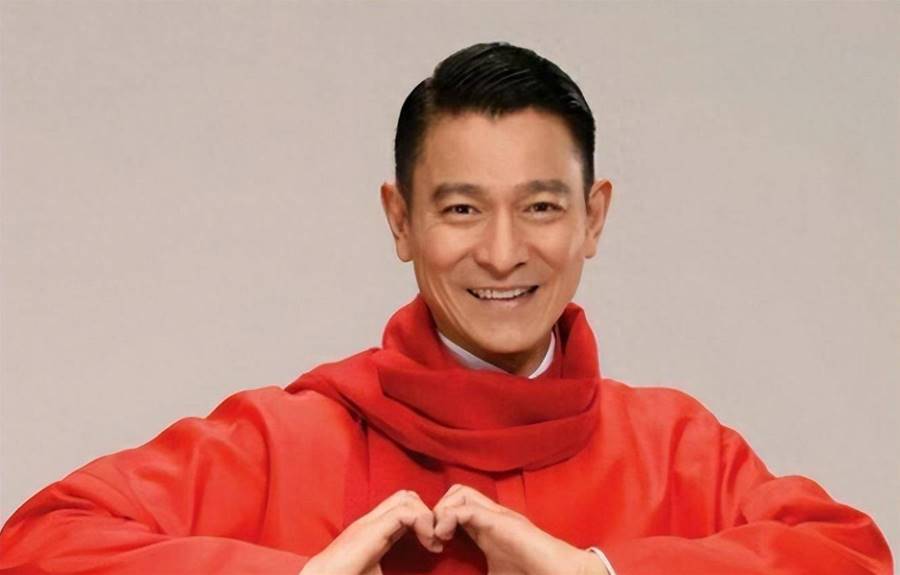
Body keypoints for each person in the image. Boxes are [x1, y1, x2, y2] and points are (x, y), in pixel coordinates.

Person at [0, 41, 892, 575]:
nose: (502, 252)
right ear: (401, 220)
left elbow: (853, 555)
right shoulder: (283, 441)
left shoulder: (677, 450)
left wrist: (598, 571)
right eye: (461, 208)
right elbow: (36, 544)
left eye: (541, 206)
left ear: (594, 218)